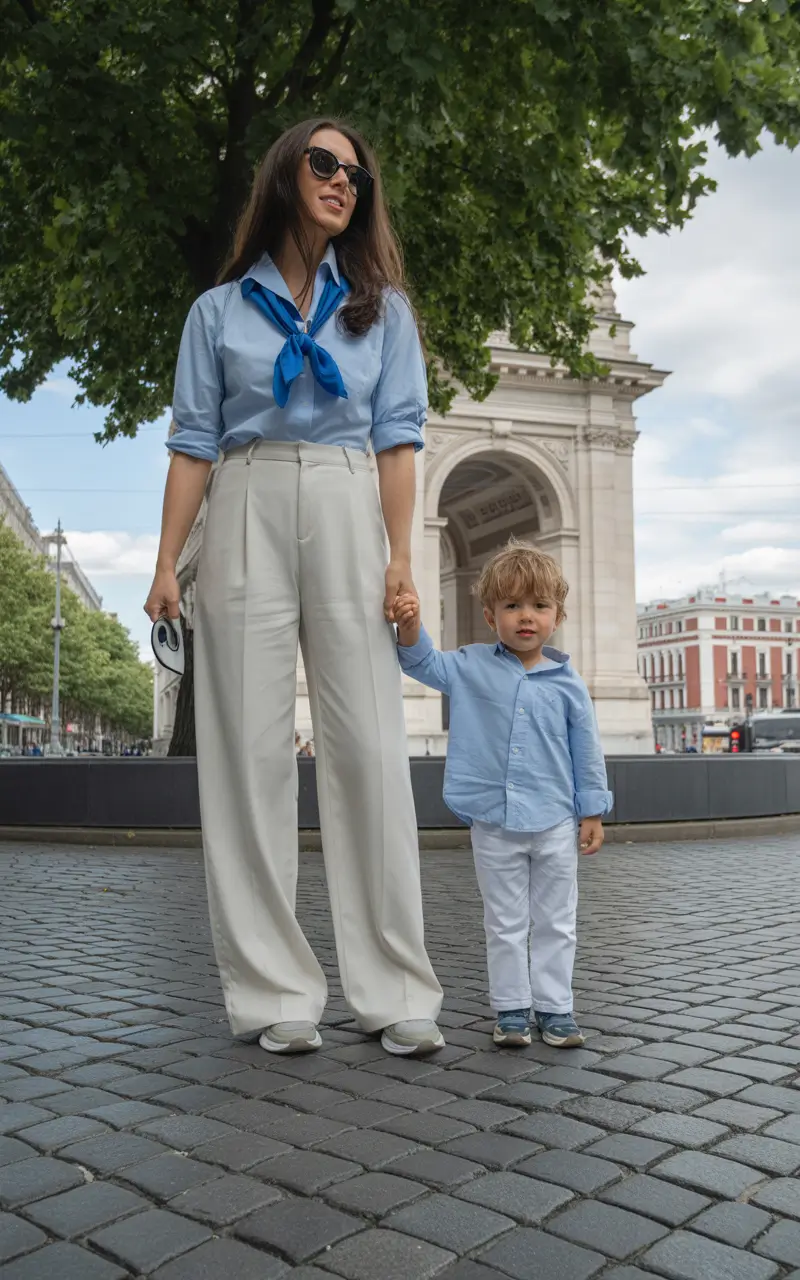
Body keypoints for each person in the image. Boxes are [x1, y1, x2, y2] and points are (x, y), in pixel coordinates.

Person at [144, 117, 444, 1058]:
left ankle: (396, 989)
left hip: (351, 497)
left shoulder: (385, 313)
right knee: (247, 749)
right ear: (284, 175)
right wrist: (166, 562)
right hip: (246, 497)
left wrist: (401, 558)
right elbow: (193, 442)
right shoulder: (216, 313)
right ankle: (274, 992)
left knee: (370, 743)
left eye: (355, 173)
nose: (342, 181)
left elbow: (398, 441)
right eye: (324, 163)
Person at [394, 541, 612, 1049]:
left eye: (539, 605)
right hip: (493, 821)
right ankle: (512, 1009)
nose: (526, 616)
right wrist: (410, 624)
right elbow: (420, 662)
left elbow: (587, 749)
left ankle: (556, 1008)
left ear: (557, 616)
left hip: (556, 821)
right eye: (512, 605)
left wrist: (593, 812)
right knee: (504, 922)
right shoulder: (469, 665)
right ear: (491, 616)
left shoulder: (570, 684)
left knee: (557, 922)